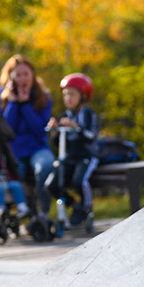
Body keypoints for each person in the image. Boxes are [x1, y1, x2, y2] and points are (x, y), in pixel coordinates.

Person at [0, 55, 55, 218]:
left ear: (33, 74)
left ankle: (43, 213)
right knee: (14, 173)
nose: (22, 79)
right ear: (10, 77)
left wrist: (25, 104)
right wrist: (13, 103)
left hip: (37, 146)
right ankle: (26, 213)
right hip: (12, 149)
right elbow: (6, 130)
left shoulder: (43, 96)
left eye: (26, 74)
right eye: (18, 75)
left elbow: (39, 130)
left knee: (46, 167)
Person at [47, 73, 99, 225]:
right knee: (52, 185)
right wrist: (55, 133)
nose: (68, 98)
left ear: (83, 95)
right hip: (68, 158)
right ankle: (76, 206)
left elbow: (91, 136)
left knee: (79, 181)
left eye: (72, 94)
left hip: (85, 157)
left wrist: (76, 127)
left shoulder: (87, 113)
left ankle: (87, 209)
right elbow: (59, 144)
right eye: (65, 94)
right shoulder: (65, 115)